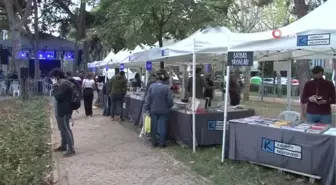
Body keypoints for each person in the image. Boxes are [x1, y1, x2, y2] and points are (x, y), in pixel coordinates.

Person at [144, 69, 174, 148]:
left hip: (153, 110)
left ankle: (154, 142)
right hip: (164, 110)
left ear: (157, 79)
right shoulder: (166, 88)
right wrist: (168, 106)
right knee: (162, 127)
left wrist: (147, 108)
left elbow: (148, 99)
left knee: (153, 126)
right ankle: (162, 143)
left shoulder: (152, 86)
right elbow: (170, 100)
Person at [50, 68, 75, 157]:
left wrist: (55, 87)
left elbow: (58, 96)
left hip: (65, 109)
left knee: (66, 128)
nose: (52, 80)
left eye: (52, 78)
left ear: (56, 77)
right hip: (61, 108)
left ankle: (71, 149)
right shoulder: (62, 83)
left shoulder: (64, 84)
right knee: (62, 128)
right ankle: (64, 145)